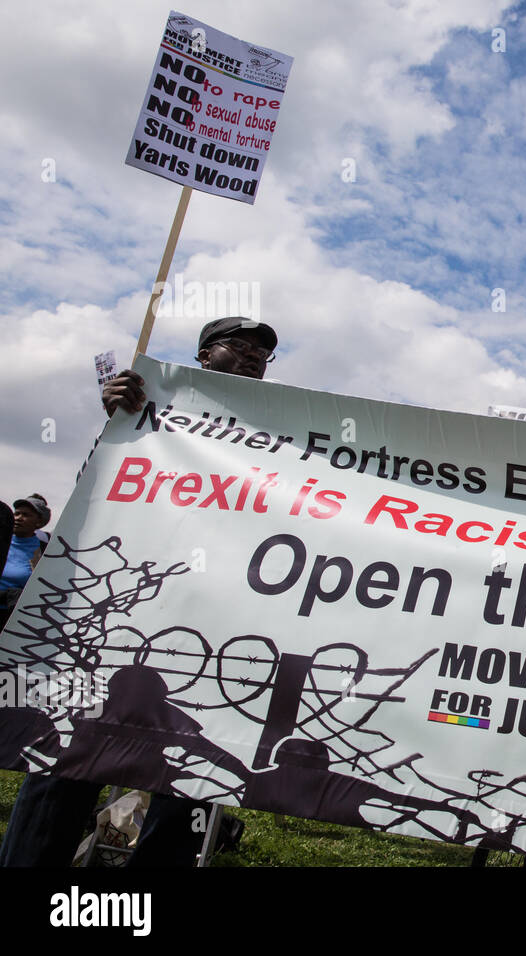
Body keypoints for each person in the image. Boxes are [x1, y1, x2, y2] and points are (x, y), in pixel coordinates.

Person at [0, 317, 278, 867]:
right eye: (239, 346)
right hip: (118, 617)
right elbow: (99, 493)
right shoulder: (146, 412)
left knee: (187, 775)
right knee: (73, 752)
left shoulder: (280, 434)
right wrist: (119, 421)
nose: (252, 357)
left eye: (263, 353)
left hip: (212, 625)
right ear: (203, 355)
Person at [1, 494, 52, 629]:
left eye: (25, 515)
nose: (18, 518)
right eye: (16, 513)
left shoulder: (45, 550)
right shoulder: (3, 540)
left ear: (39, 522)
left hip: (15, 620)